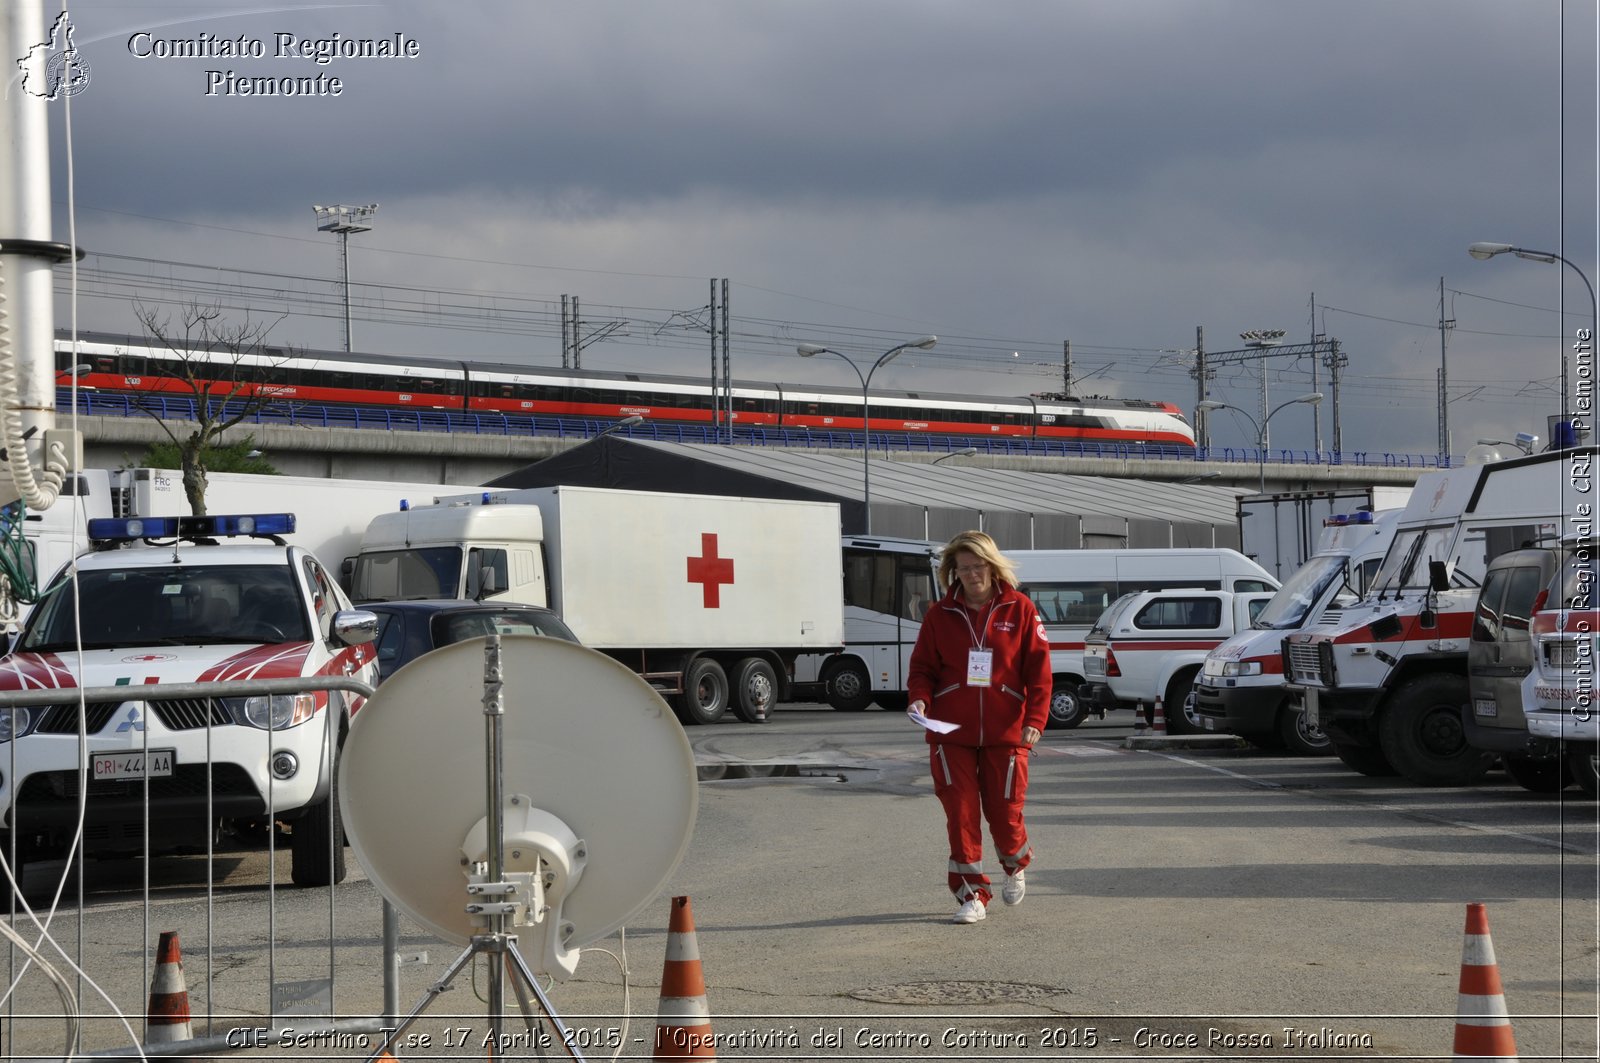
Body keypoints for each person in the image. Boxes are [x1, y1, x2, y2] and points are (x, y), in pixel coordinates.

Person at [906, 530, 1051, 925]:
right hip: (949, 733)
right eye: (963, 568)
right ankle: (972, 895)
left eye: (978, 566)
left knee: (1005, 814)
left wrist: (1035, 719)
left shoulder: (1019, 609)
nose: (971, 575)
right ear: (952, 572)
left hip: (1007, 732)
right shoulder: (939, 615)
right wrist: (919, 699)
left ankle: (1016, 861)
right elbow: (922, 669)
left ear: (992, 565)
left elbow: (1039, 672)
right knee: (962, 813)